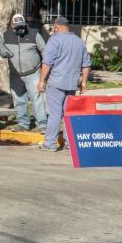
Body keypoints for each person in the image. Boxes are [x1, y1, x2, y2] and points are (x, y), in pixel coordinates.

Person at [37, 16, 91, 152]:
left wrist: (41, 81)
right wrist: (83, 83)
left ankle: (50, 143)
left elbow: (47, 63)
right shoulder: (79, 41)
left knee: (54, 114)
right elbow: (86, 64)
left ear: (57, 26)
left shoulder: (54, 40)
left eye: (54, 27)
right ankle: (69, 143)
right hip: (72, 84)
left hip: (56, 82)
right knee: (68, 114)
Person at [4, 14, 48, 132]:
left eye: (22, 25)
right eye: (17, 26)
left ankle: (42, 124)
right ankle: (23, 124)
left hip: (33, 73)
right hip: (15, 75)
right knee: (19, 100)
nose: (20, 28)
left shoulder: (34, 34)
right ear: (12, 25)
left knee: (37, 99)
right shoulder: (6, 36)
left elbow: (45, 51)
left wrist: (45, 69)